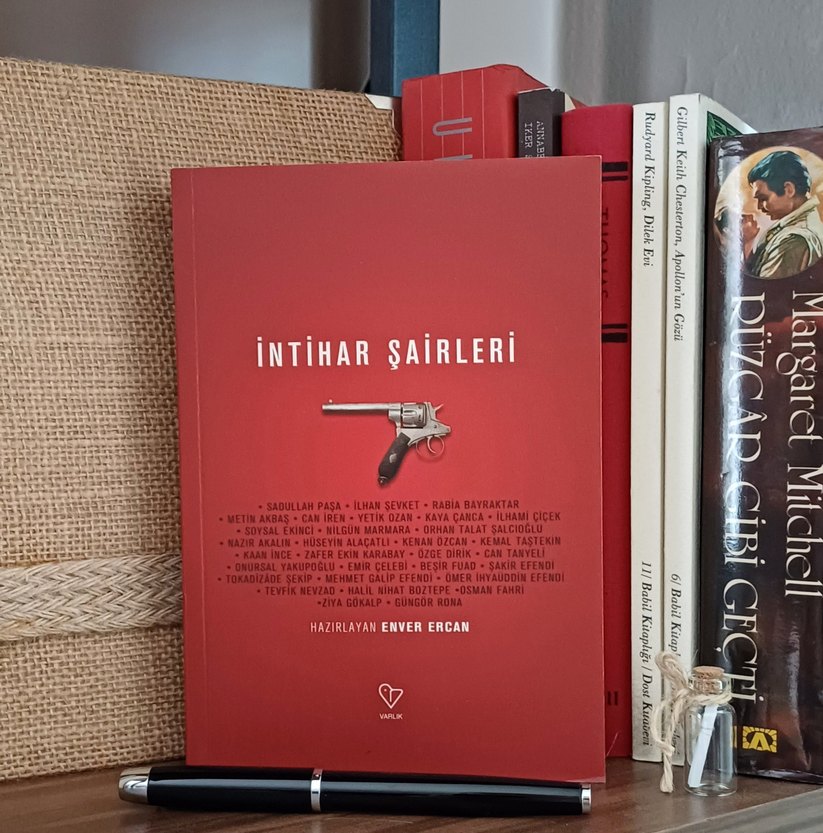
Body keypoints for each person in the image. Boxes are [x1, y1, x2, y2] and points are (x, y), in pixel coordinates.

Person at [746, 150, 823, 278]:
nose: (759, 207)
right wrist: (747, 243)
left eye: (763, 198)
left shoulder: (793, 240)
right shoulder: (796, 226)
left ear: (789, 189)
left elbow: (764, 287)